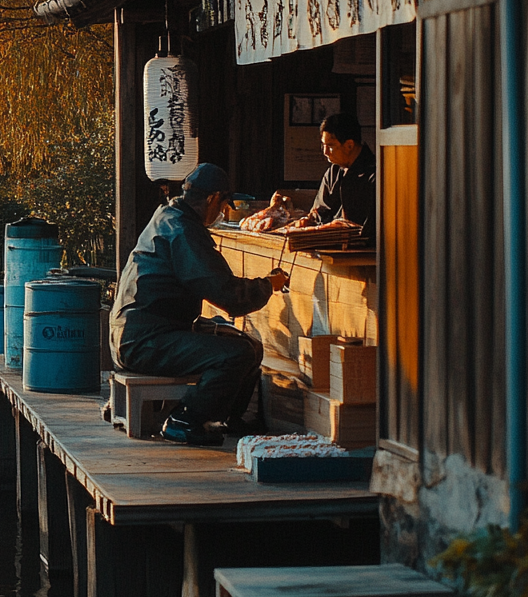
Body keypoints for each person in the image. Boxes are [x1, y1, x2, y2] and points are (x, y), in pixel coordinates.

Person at [109, 163, 290, 447]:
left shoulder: (168, 215)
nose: (222, 213)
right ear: (211, 199)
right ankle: (184, 419)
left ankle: (227, 418)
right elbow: (226, 294)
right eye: (222, 206)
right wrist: (268, 285)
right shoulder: (183, 231)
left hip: (140, 332)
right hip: (145, 340)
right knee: (236, 354)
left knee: (250, 345)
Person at [289, 111, 376, 237]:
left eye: (330, 146)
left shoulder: (375, 176)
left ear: (349, 145)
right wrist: (309, 220)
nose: (325, 152)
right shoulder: (333, 172)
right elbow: (320, 212)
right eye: (323, 145)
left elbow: (365, 228)